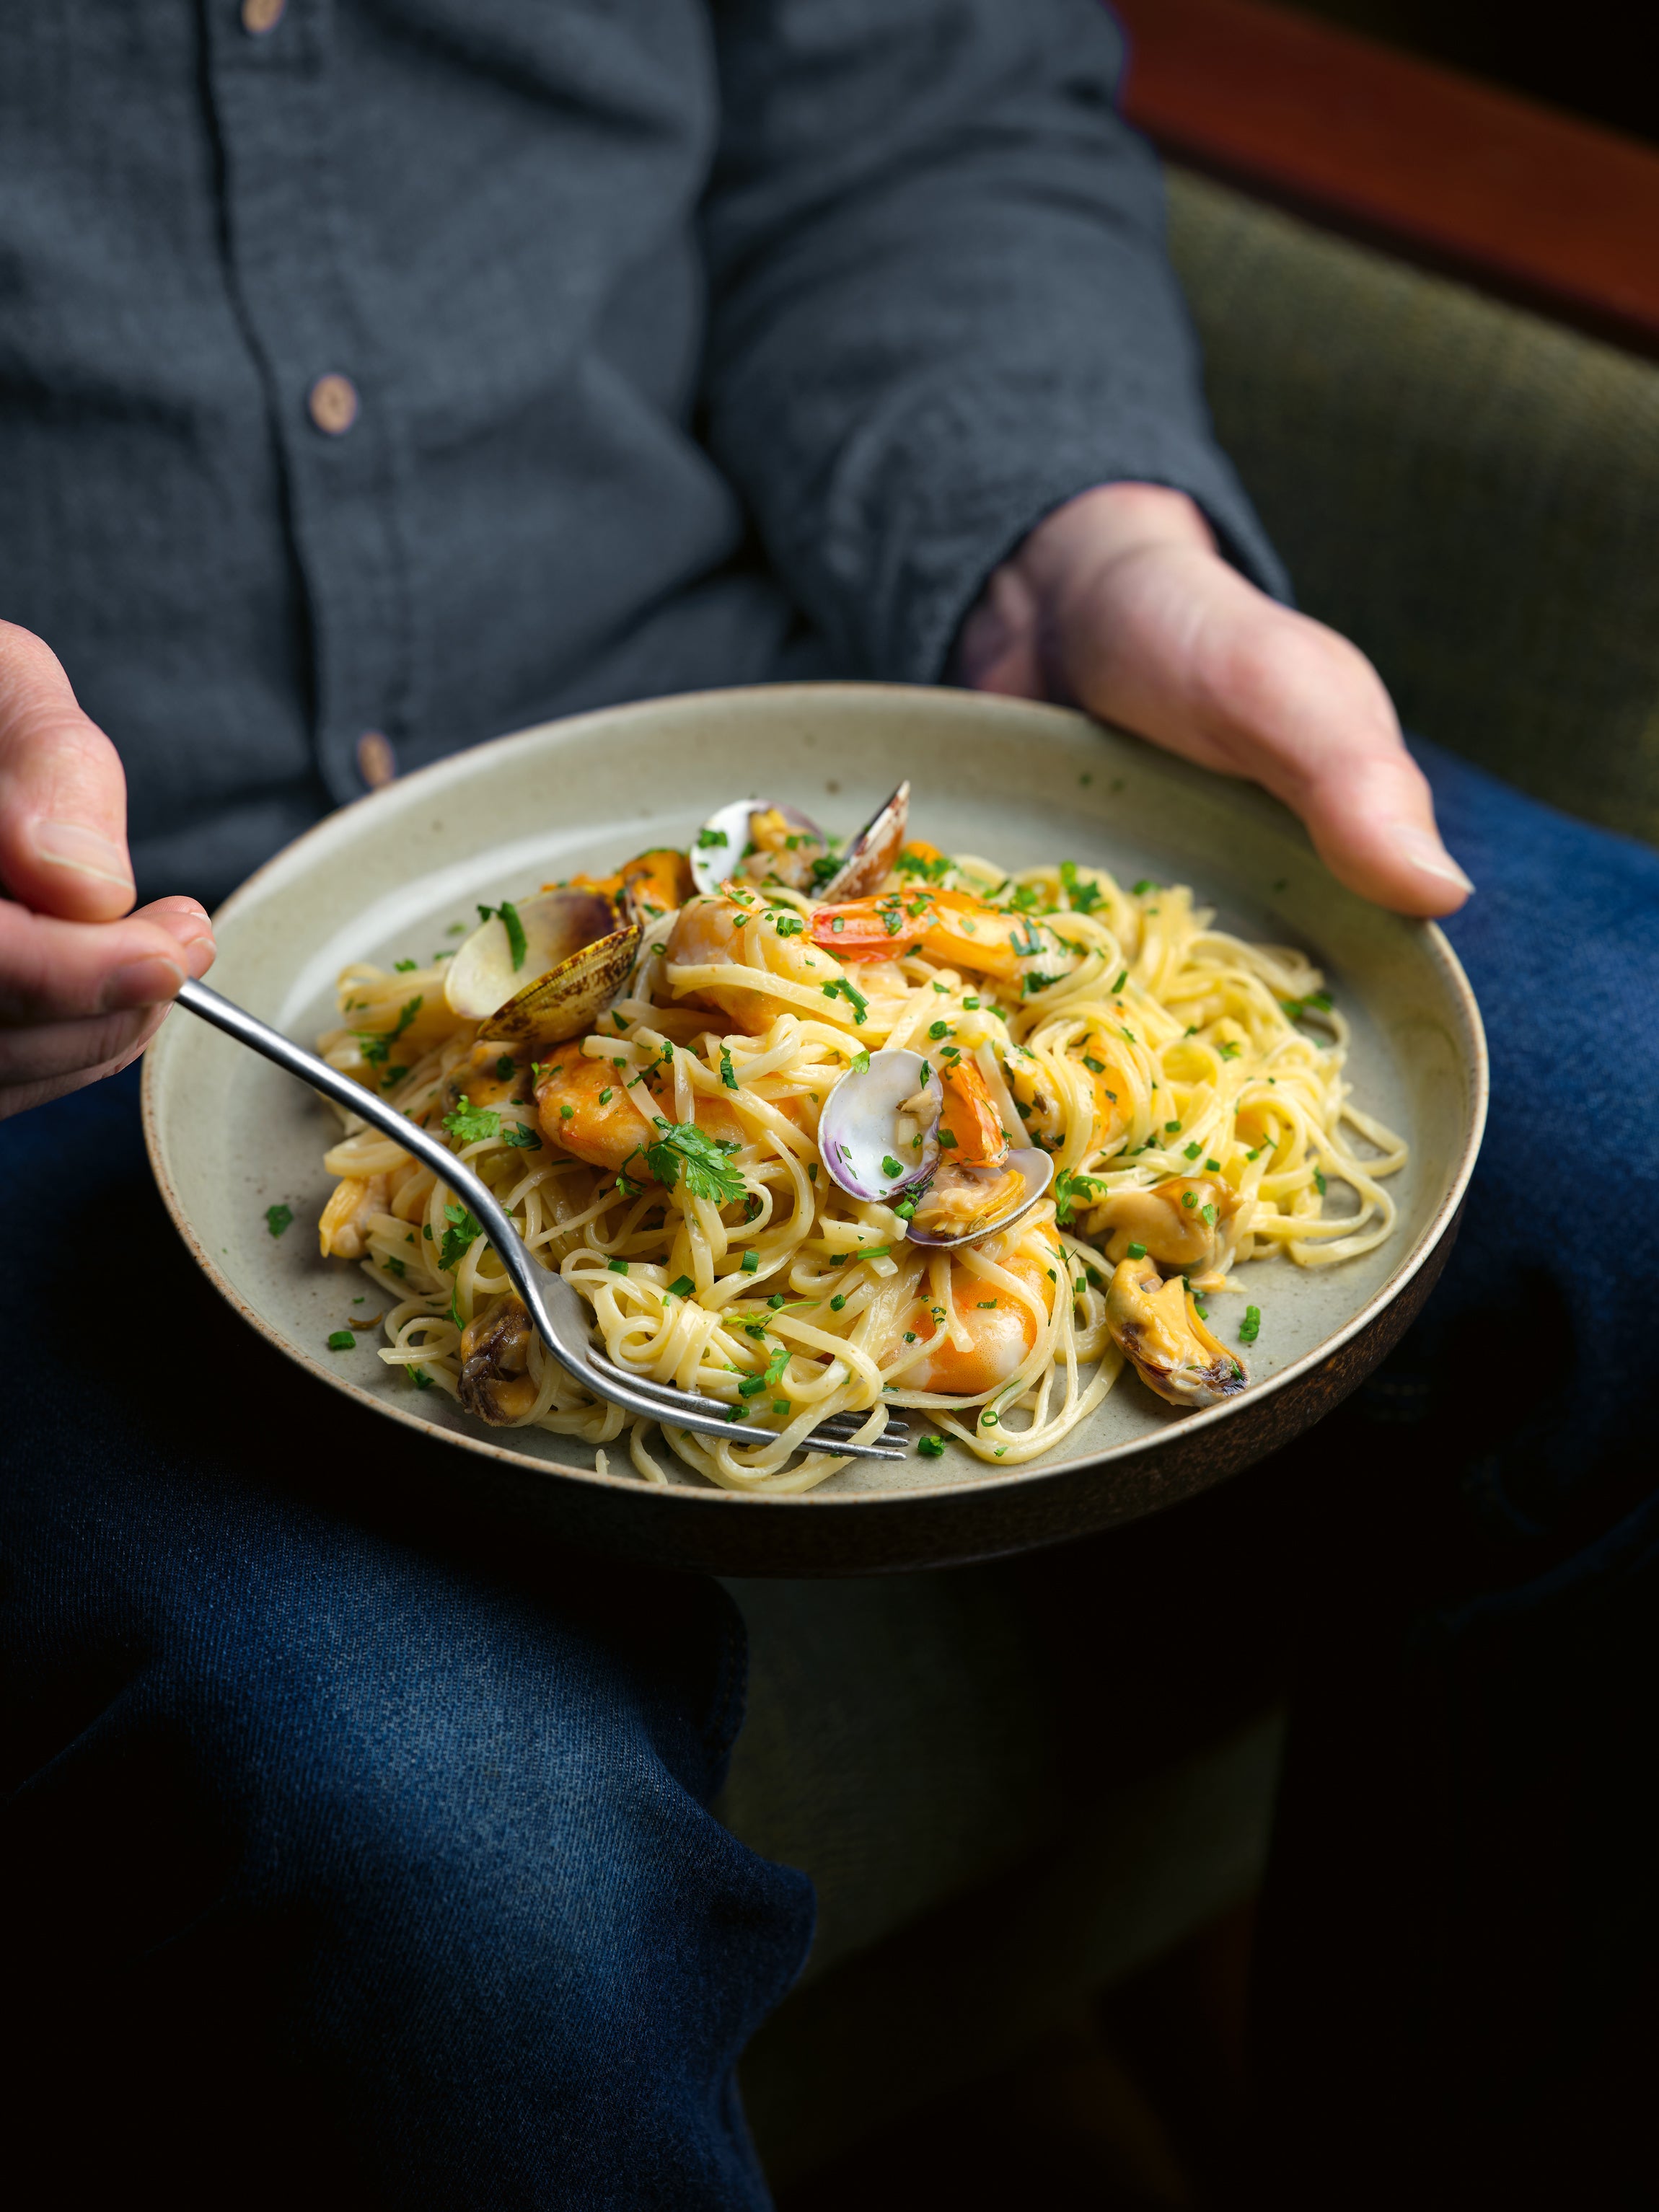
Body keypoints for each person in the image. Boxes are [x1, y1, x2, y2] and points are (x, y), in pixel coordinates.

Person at [3, 2, 1653, 2203]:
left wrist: (1069, 557)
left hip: (799, 747)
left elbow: (918, 102)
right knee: (459, 1855)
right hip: (100, 1009)